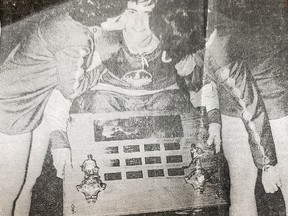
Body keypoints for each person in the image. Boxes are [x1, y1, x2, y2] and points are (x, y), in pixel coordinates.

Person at [151, 0, 281, 215]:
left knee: (281, 178)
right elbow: (207, 82)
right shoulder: (188, 37)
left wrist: (267, 164)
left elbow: (250, 106)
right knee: (240, 186)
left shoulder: (219, 51)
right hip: (233, 86)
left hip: (271, 88)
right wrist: (214, 121)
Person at [0, 0, 129, 215]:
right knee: (8, 191)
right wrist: (102, 68)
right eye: (125, 13)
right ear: (107, 18)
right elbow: (71, 88)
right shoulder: (79, 38)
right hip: (13, 106)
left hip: (37, 101)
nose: (129, 19)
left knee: (28, 181)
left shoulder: (71, 18)